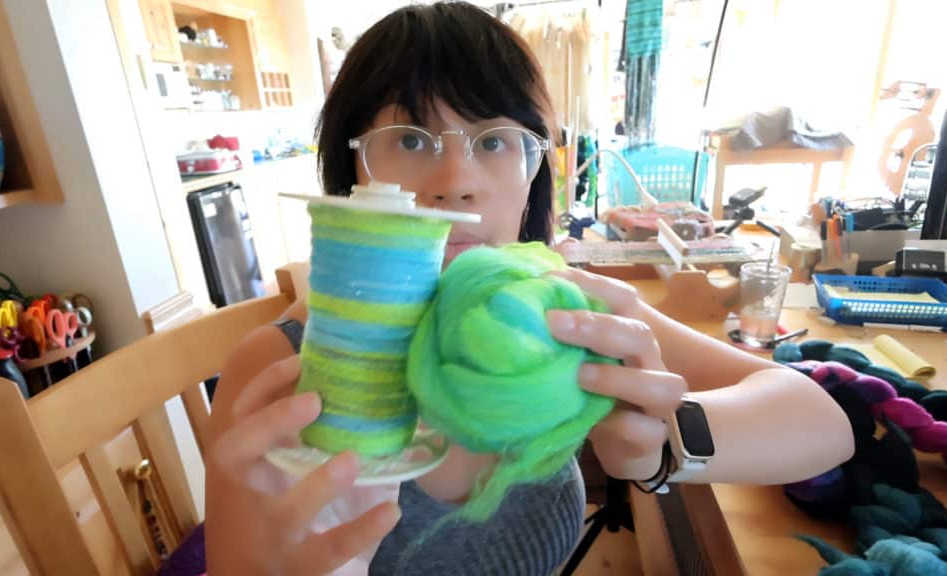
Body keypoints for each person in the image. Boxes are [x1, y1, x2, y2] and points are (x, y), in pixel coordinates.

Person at [204, 3, 853, 575]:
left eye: (493, 140)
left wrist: (664, 446)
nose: (457, 178)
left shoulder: (553, 309)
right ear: (352, 173)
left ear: (533, 173)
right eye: (408, 136)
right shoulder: (280, 371)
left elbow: (822, 419)